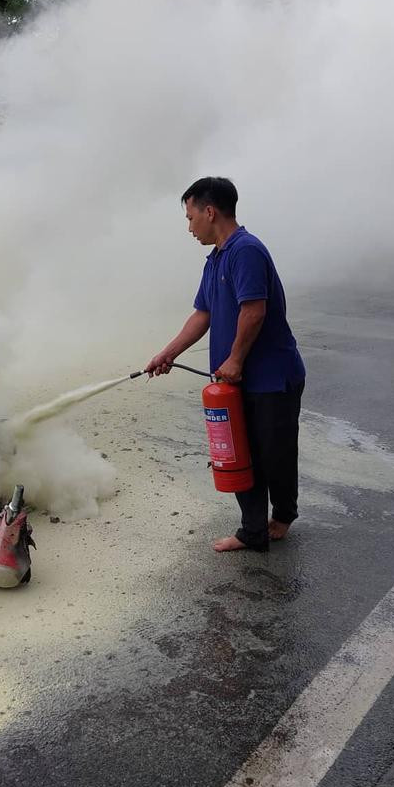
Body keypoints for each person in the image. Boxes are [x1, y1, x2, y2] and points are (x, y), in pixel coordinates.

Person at [145, 177, 306, 553]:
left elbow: (254, 310)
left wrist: (234, 360)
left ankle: (281, 516)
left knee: (275, 453)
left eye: (190, 217)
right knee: (238, 452)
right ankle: (254, 530)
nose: (189, 227)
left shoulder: (245, 251)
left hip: (270, 378)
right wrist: (169, 353)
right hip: (239, 381)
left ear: (209, 211)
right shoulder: (216, 257)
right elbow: (203, 314)